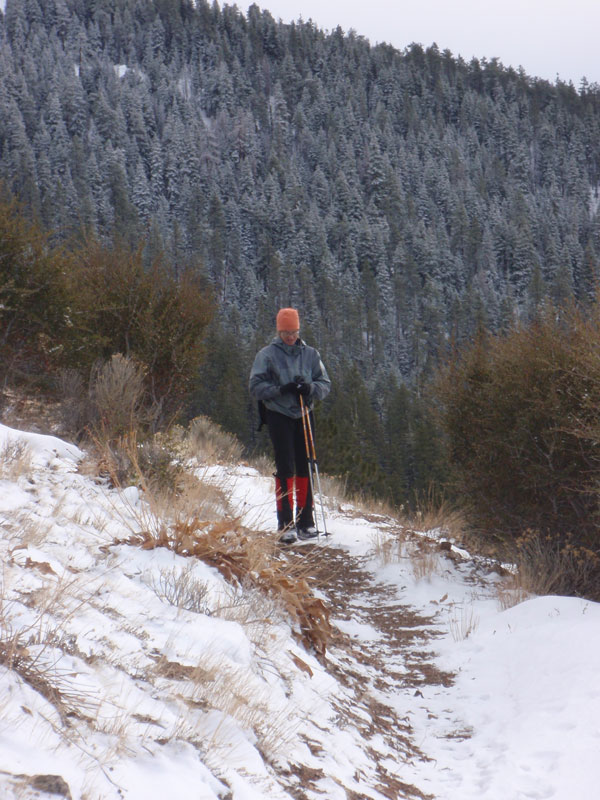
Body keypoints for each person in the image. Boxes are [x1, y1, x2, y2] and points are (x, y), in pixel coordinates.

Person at [249, 308, 331, 543]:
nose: (290, 336)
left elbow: (325, 383)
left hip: (304, 413)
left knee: (305, 465)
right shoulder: (267, 355)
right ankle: (285, 524)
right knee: (285, 466)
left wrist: (310, 389)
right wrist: (280, 390)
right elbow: (255, 386)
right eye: (286, 332)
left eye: (294, 331)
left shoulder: (311, 354)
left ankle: (306, 522)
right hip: (278, 414)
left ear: (299, 330)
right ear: (279, 331)